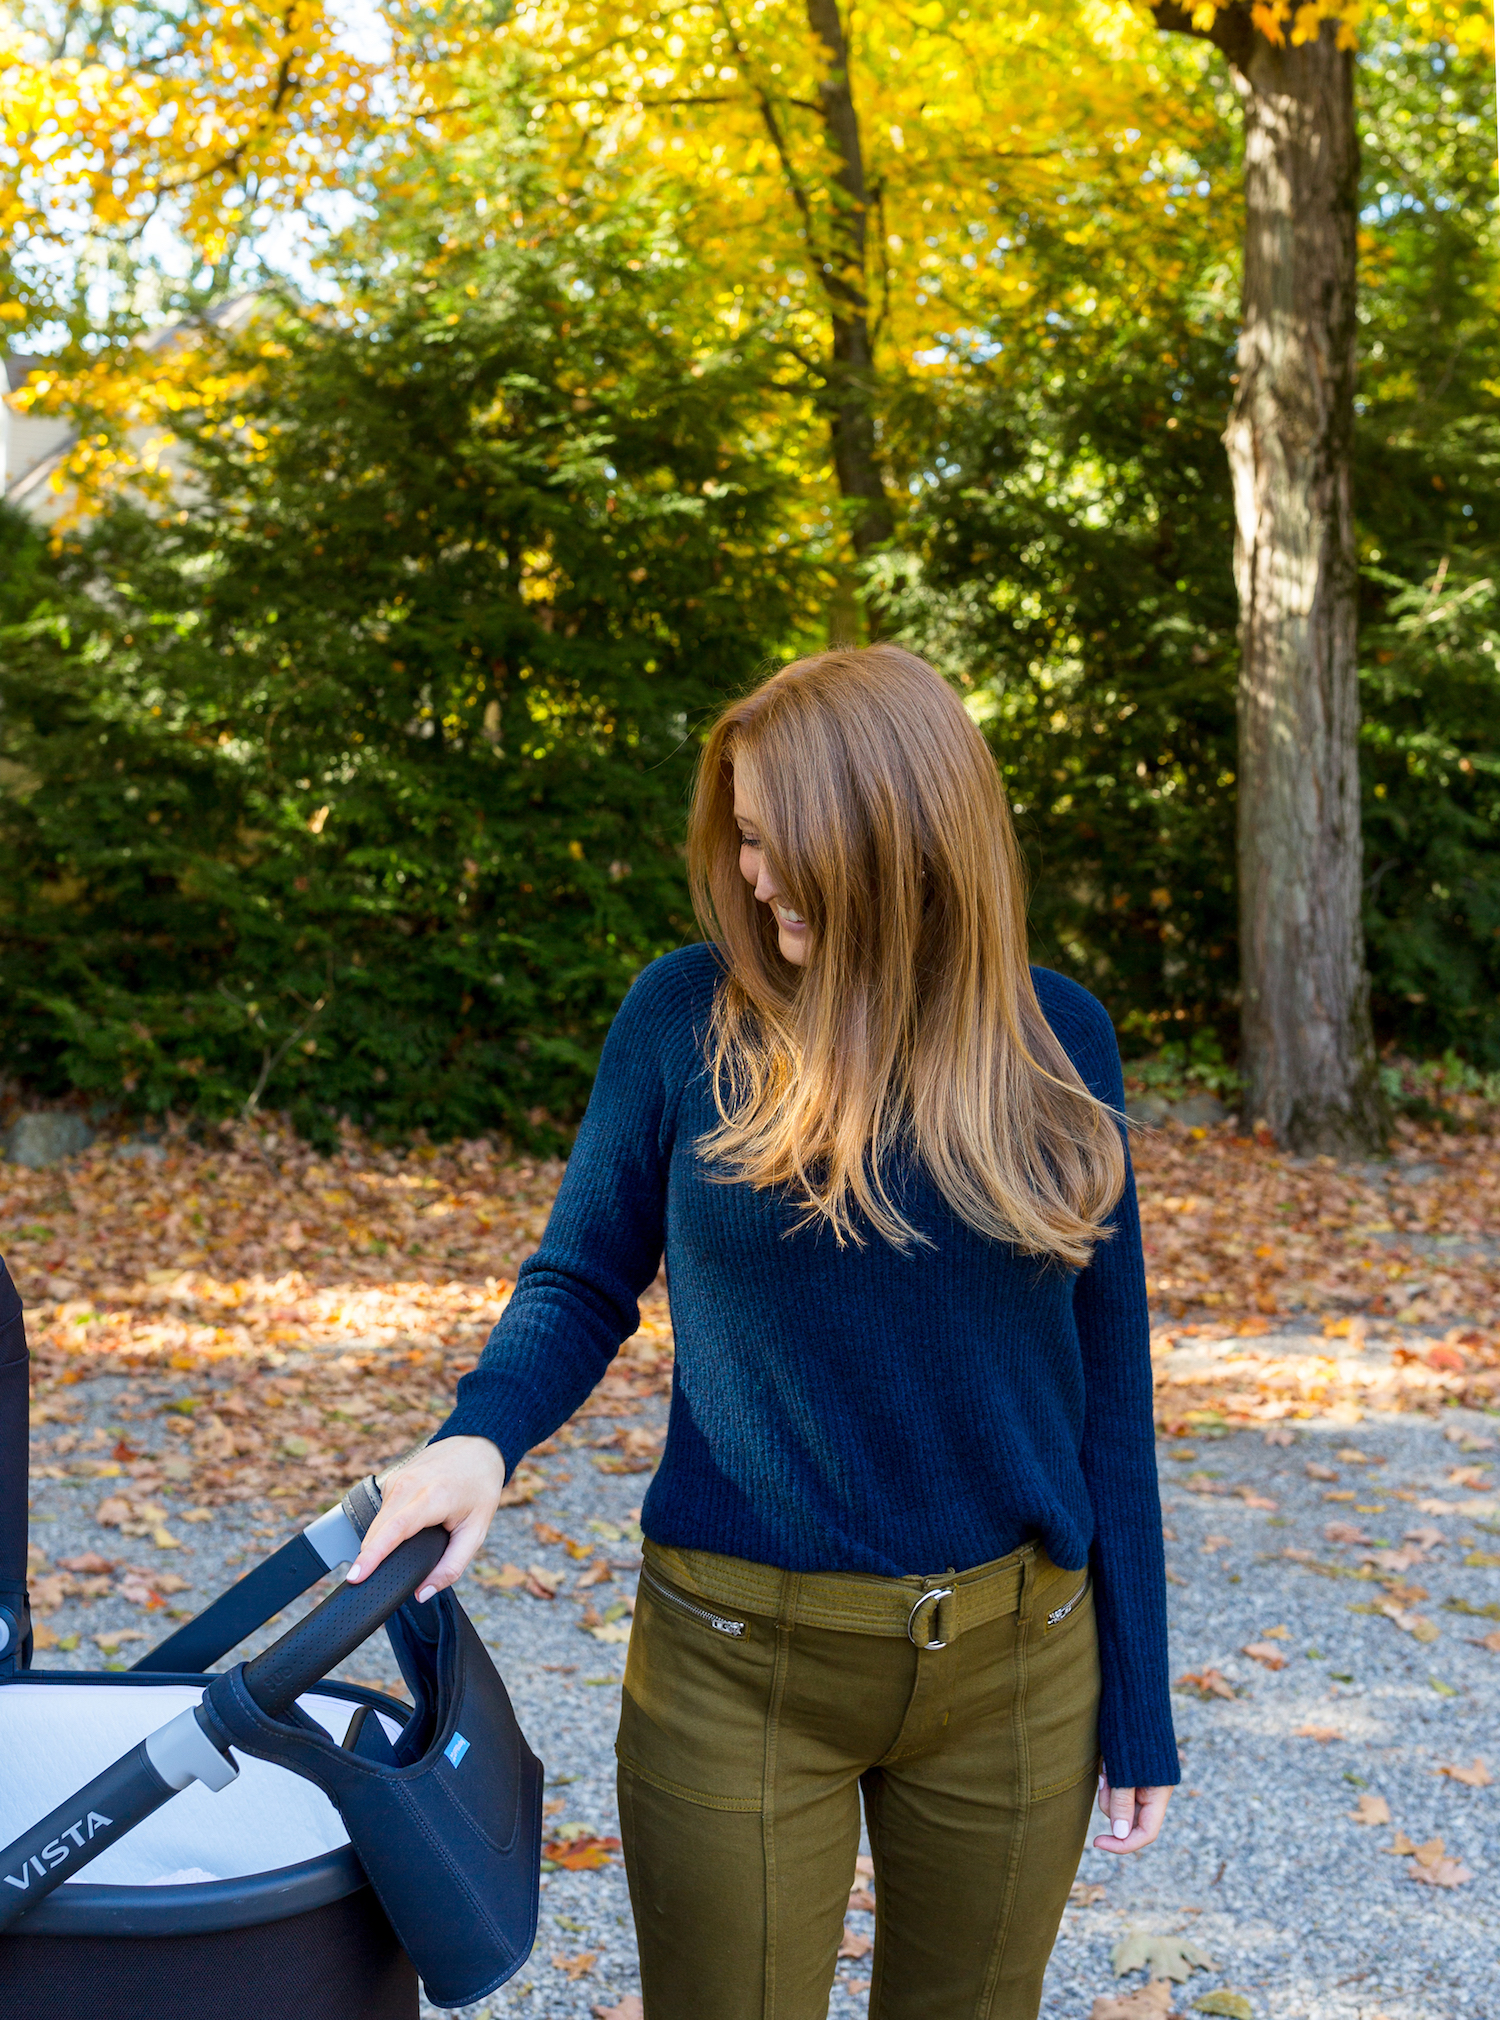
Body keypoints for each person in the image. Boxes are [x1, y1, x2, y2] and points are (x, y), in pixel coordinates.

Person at [349, 644, 1178, 2019]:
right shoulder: (684, 1018)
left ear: (904, 840)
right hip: (735, 1667)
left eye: (784, 843)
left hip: (1020, 1676)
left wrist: (1137, 1696)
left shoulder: (1057, 1038)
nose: (753, 876)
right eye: (740, 838)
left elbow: (1111, 1395)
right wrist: (473, 1442)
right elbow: (580, 1282)